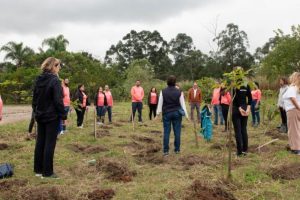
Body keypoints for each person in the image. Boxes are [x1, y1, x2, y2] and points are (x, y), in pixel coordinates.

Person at [32, 57, 66, 178]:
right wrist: (63, 115)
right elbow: (58, 100)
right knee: (49, 144)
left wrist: (36, 112)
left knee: (40, 142)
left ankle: (38, 170)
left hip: (40, 115)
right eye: (58, 65)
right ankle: (47, 172)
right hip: (52, 116)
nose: (60, 67)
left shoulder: (39, 79)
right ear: (53, 66)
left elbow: (34, 99)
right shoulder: (55, 81)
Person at [156, 75, 189, 156]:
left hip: (167, 113)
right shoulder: (179, 91)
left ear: (167, 81)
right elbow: (183, 105)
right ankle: (177, 150)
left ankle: (166, 151)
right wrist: (186, 115)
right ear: (175, 82)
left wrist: (157, 113)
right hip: (177, 113)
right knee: (177, 132)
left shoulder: (163, 91)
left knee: (166, 132)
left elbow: (160, 104)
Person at [232, 68, 252, 157]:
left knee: (238, 131)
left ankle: (240, 152)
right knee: (243, 129)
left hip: (237, 109)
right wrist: (248, 108)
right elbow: (250, 98)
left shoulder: (234, 85)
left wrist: (239, 108)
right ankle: (245, 150)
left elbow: (234, 99)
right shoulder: (246, 84)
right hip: (244, 108)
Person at [283, 72, 300, 155]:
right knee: (295, 129)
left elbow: (292, 99)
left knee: (294, 130)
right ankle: (292, 145)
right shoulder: (296, 88)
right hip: (294, 110)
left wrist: (298, 108)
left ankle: (295, 149)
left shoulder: (292, 88)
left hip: (293, 111)